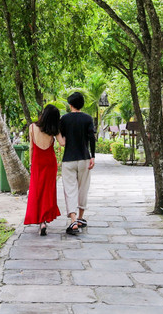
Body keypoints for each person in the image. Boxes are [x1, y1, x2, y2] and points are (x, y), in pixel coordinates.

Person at [23, 104, 64, 236]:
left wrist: (30, 163)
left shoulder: (32, 127)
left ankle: (41, 222)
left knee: (37, 190)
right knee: (48, 191)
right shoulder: (54, 129)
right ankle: (44, 221)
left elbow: (31, 148)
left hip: (37, 162)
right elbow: (62, 143)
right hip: (50, 162)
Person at [59, 91, 96, 235]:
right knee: (83, 188)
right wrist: (93, 156)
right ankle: (80, 218)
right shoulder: (87, 118)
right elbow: (91, 138)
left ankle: (73, 220)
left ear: (70, 105)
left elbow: (61, 138)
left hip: (68, 159)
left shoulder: (64, 119)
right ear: (82, 104)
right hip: (84, 158)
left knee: (70, 190)